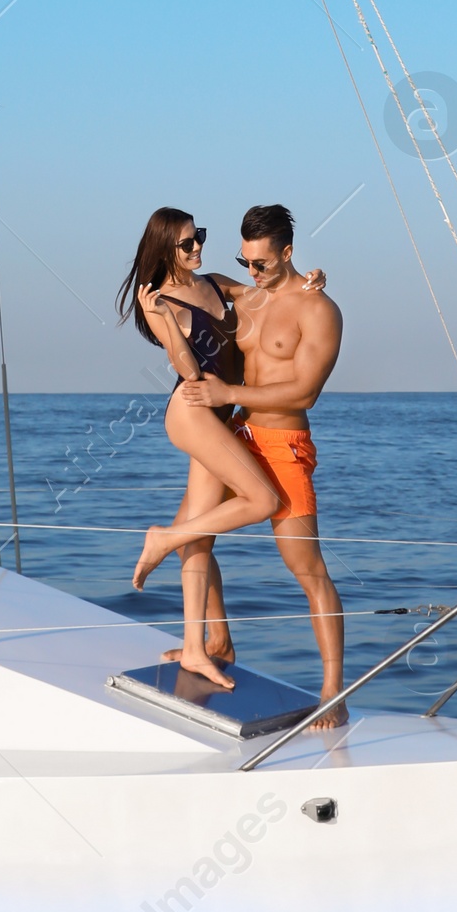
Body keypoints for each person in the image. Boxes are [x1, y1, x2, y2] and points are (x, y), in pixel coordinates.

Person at [177, 203, 347, 724]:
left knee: (306, 567)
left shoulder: (319, 309)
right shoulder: (245, 294)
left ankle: (333, 692)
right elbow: (189, 278)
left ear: (288, 253)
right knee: (192, 533)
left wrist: (228, 388)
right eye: (245, 261)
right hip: (239, 436)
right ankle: (219, 640)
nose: (252, 272)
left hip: (284, 443)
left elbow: (306, 391)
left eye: (262, 263)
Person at [117, 208, 279, 688]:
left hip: (220, 414)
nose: (196, 248)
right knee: (263, 500)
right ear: (166, 247)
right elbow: (188, 371)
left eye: (199, 237)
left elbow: (267, 295)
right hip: (192, 412)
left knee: (200, 535)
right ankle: (163, 538)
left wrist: (309, 281)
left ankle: (204, 646)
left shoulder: (213, 282)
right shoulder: (158, 299)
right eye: (187, 243)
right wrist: (166, 319)